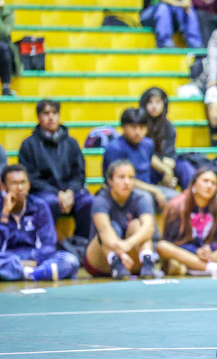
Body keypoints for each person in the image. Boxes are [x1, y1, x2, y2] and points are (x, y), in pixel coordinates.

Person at [18, 99, 93, 239]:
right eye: (46, 113)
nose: (51, 117)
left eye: (54, 113)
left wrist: (70, 192)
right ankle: (46, 243)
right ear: (38, 117)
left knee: (88, 202)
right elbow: (30, 178)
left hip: (70, 192)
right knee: (49, 203)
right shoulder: (28, 145)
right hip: (43, 192)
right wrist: (57, 193)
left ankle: (81, 243)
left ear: (59, 116)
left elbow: (79, 174)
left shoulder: (72, 143)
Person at [157, 167, 217, 277]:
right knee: (162, 246)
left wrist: (208, 249)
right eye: (205, 181)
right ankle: (215, 268)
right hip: (185, 252)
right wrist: (196, 251)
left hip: (210, 253)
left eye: (213, 183)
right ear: (194, 184)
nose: (209, 186)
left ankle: (193, 267)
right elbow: (172, 241)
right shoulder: (177, 206)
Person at [0, 164, 79, 282]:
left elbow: (49, 244)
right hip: (8, 258)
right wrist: (5, 214)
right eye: (14, 183)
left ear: (29, 185)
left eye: (23, 182)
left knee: (70, 260)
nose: (20, 188)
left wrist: (34, 261)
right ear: (3, 186)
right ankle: (39, 273)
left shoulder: (39, 206)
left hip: (36, 259)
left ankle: (28, 273)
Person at [82, 160, 157, 280]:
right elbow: (104, 230)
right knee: (111, 228)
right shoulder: (101, 200)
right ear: (110, 180)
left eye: (131, 177)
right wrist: (121, 253)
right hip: (101, 259)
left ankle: (148, 263)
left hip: (130, 259)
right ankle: (115, 263)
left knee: (138, 225)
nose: (127, 182)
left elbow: (149, 227)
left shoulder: (142, 198)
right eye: (121, 177)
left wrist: (128, 244)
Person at [102, 108, 177, 210]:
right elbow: (124, 180)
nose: (138, 132)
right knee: (145, 199)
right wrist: (155, 191)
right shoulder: (115, 148)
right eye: (133, 127)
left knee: (178, 198)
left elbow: (150, 158)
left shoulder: (148, 143)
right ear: (123, 127)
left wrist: (166, 170)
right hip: (125, 191)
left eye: (141, 127)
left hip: (148, 188)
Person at [140, 87, 197, 192]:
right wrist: (166, 170)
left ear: (164, 104)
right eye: (150, 102)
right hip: (147, 163)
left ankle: (190, 197)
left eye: (158, 102)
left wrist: (168, 168)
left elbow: (169, 154)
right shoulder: (139, 125)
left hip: (164, 162)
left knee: (185, 168)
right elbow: (145, 153)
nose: (154, 106)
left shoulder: (168, 127)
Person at [0, 0, 19, 95]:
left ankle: (6, 86)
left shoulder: (8, 13)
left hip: (3, 45)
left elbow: (4, 32)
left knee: (3, 48)